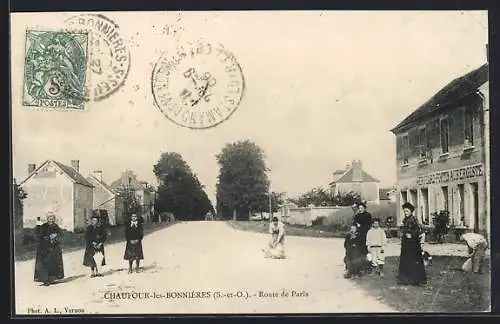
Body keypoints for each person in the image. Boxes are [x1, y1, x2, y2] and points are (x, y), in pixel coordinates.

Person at [397, 202, 427, 286]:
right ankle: (405, 278)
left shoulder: (414, 219)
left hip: (413, 244)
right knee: (406, 260)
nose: (405, 213)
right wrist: (402, 233)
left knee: (414, 260)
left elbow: (421, 230)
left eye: (407, 211)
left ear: (411, 211)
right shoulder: (405, 220)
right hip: (406, 243)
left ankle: (416, 279)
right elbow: (403, 229)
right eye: (404, 211)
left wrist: (412, 234)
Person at [34, 211, 64, 286]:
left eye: (53, 218)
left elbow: (61, 235)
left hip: (54, 248)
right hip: (45, 248)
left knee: (53, 263)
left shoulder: (56, 226)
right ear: (47, 219)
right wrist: (49, 237)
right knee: (45, 264)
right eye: (50, 218)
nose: (51, 220)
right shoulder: (44, 226)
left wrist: (56, 236)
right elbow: (39, 236)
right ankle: (45, 280)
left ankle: (51, 278)